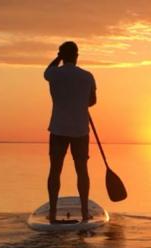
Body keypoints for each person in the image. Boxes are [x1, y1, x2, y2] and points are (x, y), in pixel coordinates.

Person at [44, 41, 97, 223]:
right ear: (77, 56)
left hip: (58, 129)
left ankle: (52, 213)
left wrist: (58, 57)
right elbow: (92, 101)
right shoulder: (87, 76)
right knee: (82, 170)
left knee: (55, 170)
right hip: (80, 130)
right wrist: (80, 102)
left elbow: (47, 71)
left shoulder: (53, 74)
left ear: (61, 56)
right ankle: (84, 212)